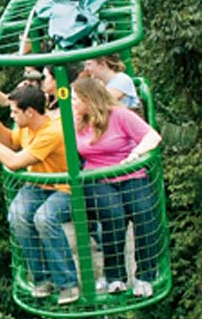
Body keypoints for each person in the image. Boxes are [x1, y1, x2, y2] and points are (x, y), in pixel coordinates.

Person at [0, 83, 80, 304]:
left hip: (65, 187)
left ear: (30, 111)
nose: (12, 114)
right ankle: (42, 278)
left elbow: (13, 162)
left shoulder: (51, 132)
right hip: (40, 185)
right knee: (18, 215)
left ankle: (67, 283)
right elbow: (11, 141)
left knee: (44, 218)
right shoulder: (27, 126)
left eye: (14, 111)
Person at [69, 76, 162, 296]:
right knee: (113, 215)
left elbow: (152, 136)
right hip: (98, 177)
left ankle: (145, 276)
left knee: (143, 212)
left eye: (75, 99)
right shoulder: (75, 122)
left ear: (89, 99)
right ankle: (114, 275)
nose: (72, 103)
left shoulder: (120, 116)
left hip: (129, 174)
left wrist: (136, 154)